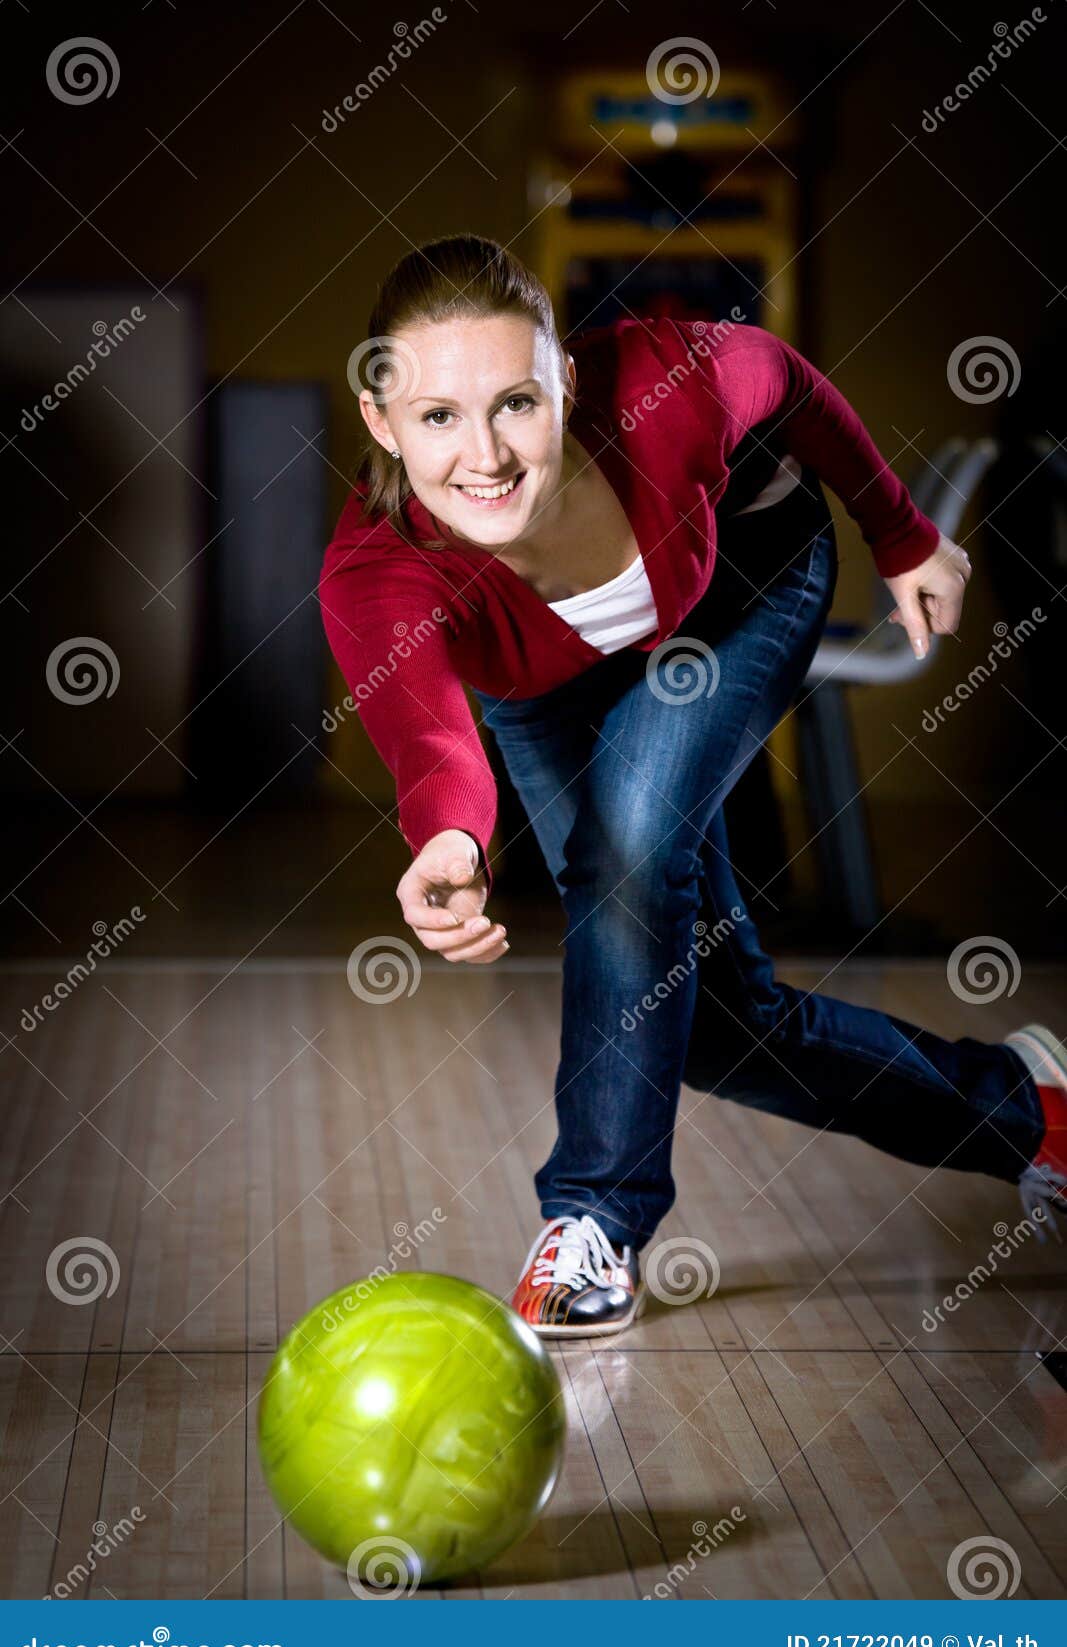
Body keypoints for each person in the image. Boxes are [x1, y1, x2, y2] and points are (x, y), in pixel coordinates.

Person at [319, 233, 1067, 1339]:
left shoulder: (660, 384)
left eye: (515, 403)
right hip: (543, 684)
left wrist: (901, 535)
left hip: (741, 584)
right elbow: (429, 733)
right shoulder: (375, 567)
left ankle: (594, 1220)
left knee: (625, 853)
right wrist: (450, 845)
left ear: (565, 381)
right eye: (436, 418)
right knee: (712, 1026)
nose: (483, 453)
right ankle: (1032, 1115)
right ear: (383, 421)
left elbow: (791, 381)